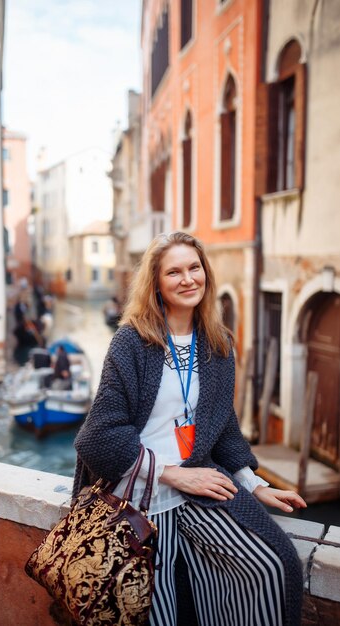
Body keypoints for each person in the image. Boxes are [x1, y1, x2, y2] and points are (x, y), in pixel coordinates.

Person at [73, 231, 306, 626]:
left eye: (194, 268)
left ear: (206, 274)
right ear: (157, 284)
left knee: (273, 565)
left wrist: (255, 484)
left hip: (194, 485)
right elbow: (99, 435)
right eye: (174, 272)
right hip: (138, 495)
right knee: (157, 611)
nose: (188, 279)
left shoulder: (217, 343)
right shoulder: (132, 342)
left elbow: (223, 424)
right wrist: (173, 474)